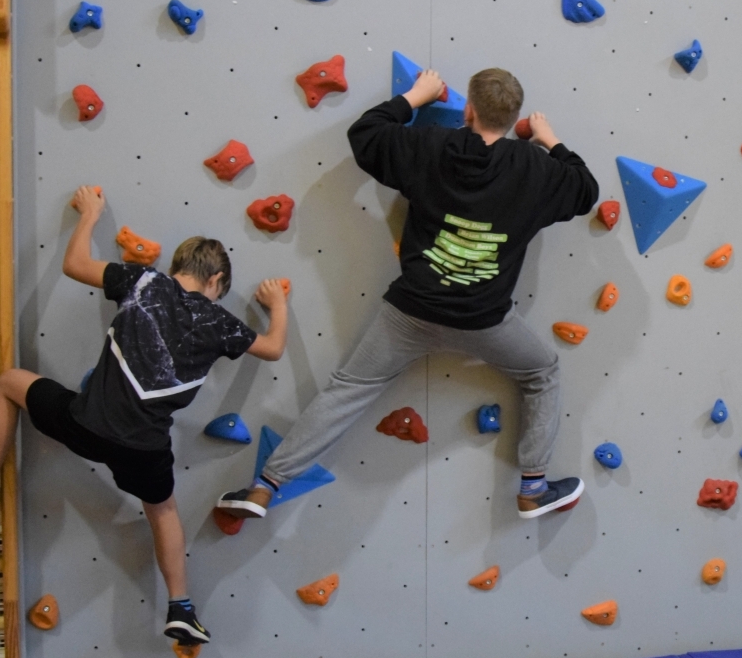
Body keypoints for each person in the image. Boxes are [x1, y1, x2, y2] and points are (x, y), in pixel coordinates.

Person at [217, 67, 598, 523]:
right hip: (484, 320)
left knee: (348, 391)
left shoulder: (433, 145)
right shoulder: (536, 168)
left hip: (411, 313)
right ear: (515, 117)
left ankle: (264, 487)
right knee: (543, 373)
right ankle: (533, 488)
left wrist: (416, 96)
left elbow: (366, 134)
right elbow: (585, 189)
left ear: (469, 110)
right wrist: (549, 138)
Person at [0, 185, 289, 646]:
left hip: (84, 424)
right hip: (143, 450)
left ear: (177, 266)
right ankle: (181, 607)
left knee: (8, 384)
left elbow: (75, 265)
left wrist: (90, 214)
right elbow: (274, 349)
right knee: (163, 511)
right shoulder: (220, 322)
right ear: (217, 281)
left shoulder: (143, 282)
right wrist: (277, 307)